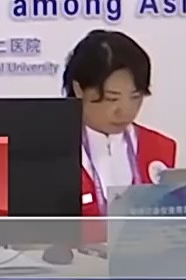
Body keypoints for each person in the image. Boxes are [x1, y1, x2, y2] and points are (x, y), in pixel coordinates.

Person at [64, 29, 176, 217]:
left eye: (135, 97)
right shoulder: (52, 150)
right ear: (79, 89)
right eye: (112, 99)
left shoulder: (160, 147)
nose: (125, 110)